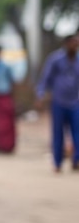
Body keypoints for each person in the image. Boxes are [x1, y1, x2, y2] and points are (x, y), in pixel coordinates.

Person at [36, 34, 79, 172]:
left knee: (77, 132)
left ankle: (76, 160)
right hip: (58, 101)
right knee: (57, 132)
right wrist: (40, 94)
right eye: (73, 42)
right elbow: (45, 78)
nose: (75, 45)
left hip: (75, 102)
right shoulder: (55, 59)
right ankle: (57, 162)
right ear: (66, 44)